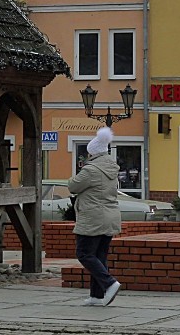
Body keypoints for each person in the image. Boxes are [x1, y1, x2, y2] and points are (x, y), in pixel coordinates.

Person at [68, 126, 122, 307]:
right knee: (99, 256)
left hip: (93, 217)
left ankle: (109, 283)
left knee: (83, 253)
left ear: (93, 153)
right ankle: (97, 296)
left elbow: (73, 186)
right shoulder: (112, 168)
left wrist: (80, 170)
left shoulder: (91, 170)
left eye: (89, 154)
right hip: (109, 216)